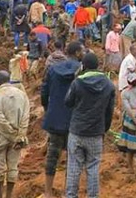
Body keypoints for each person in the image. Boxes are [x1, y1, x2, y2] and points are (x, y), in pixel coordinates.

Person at [64, 52, 116, 198]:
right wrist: (104, 129)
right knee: (93, 168)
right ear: (97, 65)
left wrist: (76, 78)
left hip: (77, 131)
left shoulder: (77, 82)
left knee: (74, 168)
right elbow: (109, 111)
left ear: (83, 66)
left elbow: (68, 102)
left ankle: (71, 195)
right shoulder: (108, 84)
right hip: (96, 133)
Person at [40, 41, 83, 198]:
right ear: (77, 53)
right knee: (73, 157)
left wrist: (48, 108)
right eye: (82, 51)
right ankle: (69, 192)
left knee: (53, 155)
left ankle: (47, 192)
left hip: (55, 117)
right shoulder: (81, 70)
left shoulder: (52, 69)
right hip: (75, 119)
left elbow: (44, 92)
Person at [0, 71, 30, 198]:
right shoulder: (22, 95)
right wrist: (19, 135)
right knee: (13, 167)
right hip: (17, 137)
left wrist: (11, 134)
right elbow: (25, 117)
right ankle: (9, 195)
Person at [117, 72, 136, 174]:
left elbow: (127, 108)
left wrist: (134, 119)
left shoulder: (125, 93)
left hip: (130, 120)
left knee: (129, 146)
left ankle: (130, 167)